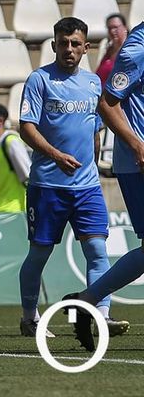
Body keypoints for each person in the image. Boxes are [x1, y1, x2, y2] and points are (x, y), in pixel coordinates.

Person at [16, 17, 127, 340]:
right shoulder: (39, 80)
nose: (69, 49)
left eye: (75, 44)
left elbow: (94, 132)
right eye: (63, 43)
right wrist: (55, 155)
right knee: (39, 253)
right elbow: (26, 127)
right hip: (47, 186)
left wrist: (90, 165)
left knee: (97, 251)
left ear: (86, 47)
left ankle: (101, 315)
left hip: (87, 187)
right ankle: (29, 317)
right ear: (53, 45)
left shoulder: (93, 84)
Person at [65, 19, 144, 350]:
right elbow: (108, 103)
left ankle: (86, 300)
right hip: (138, 162)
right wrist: (139, 147)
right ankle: (87, 299)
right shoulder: (138, 48)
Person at [95, 13, 129, 86]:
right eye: (109, 28)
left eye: (115, 27)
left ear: (125, 28)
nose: (112, 31)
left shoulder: (129, 51)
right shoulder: (107, 49)